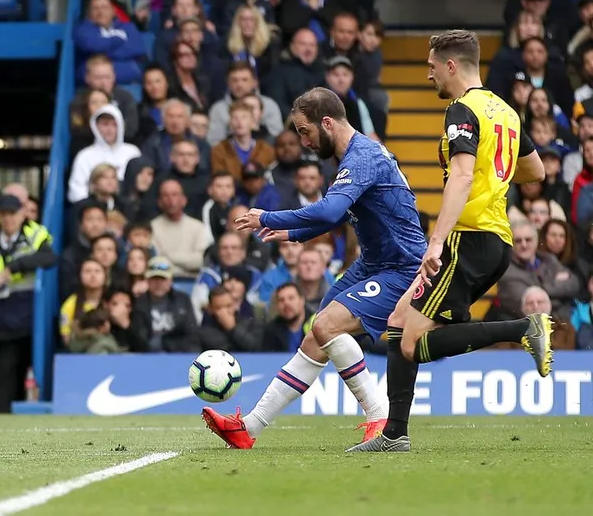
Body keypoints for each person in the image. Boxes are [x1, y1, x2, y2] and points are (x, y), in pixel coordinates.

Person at [349, 30, 552, 453]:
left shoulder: (463, 109)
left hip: (469, 238)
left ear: (452, 65)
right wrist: (493, 175)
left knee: (410, 342)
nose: (429, 74)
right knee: (398, 322)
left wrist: (436, 241)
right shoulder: (506, 111)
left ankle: (524, 328)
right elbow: (536, 172)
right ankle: (394, 434)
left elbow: (460, 176)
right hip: (495, 238)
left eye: (432, 66)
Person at [201, 87, 427, 450]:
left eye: (305, 131)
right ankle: (249, 429)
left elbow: (329, 210)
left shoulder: (363, 157)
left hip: (402, 268)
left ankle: (381, 417)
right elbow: (335, 216)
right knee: (317, 336)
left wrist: (268, 216)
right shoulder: (353, 157)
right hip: (373, 264)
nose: (304, 141)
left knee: (326, 326)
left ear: (327, 123)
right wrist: (292, 232)